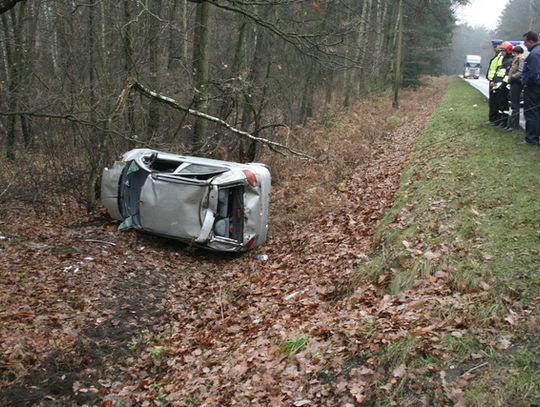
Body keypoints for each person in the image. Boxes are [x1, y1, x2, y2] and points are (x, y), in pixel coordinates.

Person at [521, 31, 540, 145]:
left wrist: (526, 83)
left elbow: (533, 74)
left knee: (531, 112)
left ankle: (531, 138)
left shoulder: (534, 54)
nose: (525, 45)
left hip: (534, 88)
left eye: (526, 42)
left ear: (531, 41)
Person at [491, 41, 514, 128]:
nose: (502, 52)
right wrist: (494, 81)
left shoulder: (510, 61)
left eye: (503, 51)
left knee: (504, 106)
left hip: (503, 88)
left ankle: (504, 122)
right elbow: (498, 73)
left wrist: (503, 85)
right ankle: (501, 121)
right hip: (498, 87)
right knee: (500, 106)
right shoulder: (503, 60)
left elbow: (508, 75)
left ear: (507, 51)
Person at [506, 45, 525, 131]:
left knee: (515, 104)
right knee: (514, 103)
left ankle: (514, 125)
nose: (513, 54)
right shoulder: (516, 59)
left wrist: (512, 77)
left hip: (517, 82)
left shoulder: (521, 59)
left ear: (517, 52)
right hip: (513, 82)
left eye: (514, 52)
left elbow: (520, 71)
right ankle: (513, 124)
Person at [486, 41, 504, 125]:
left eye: (496, 46)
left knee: (496, 102)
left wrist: (494, 80)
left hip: (495, 82)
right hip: (492, 81)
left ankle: (495, 120)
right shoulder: (496, 56)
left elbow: (499, 70)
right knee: (492, 102)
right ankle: (492, 119)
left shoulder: (500, 57)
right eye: (494, 46)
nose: (494, 48)